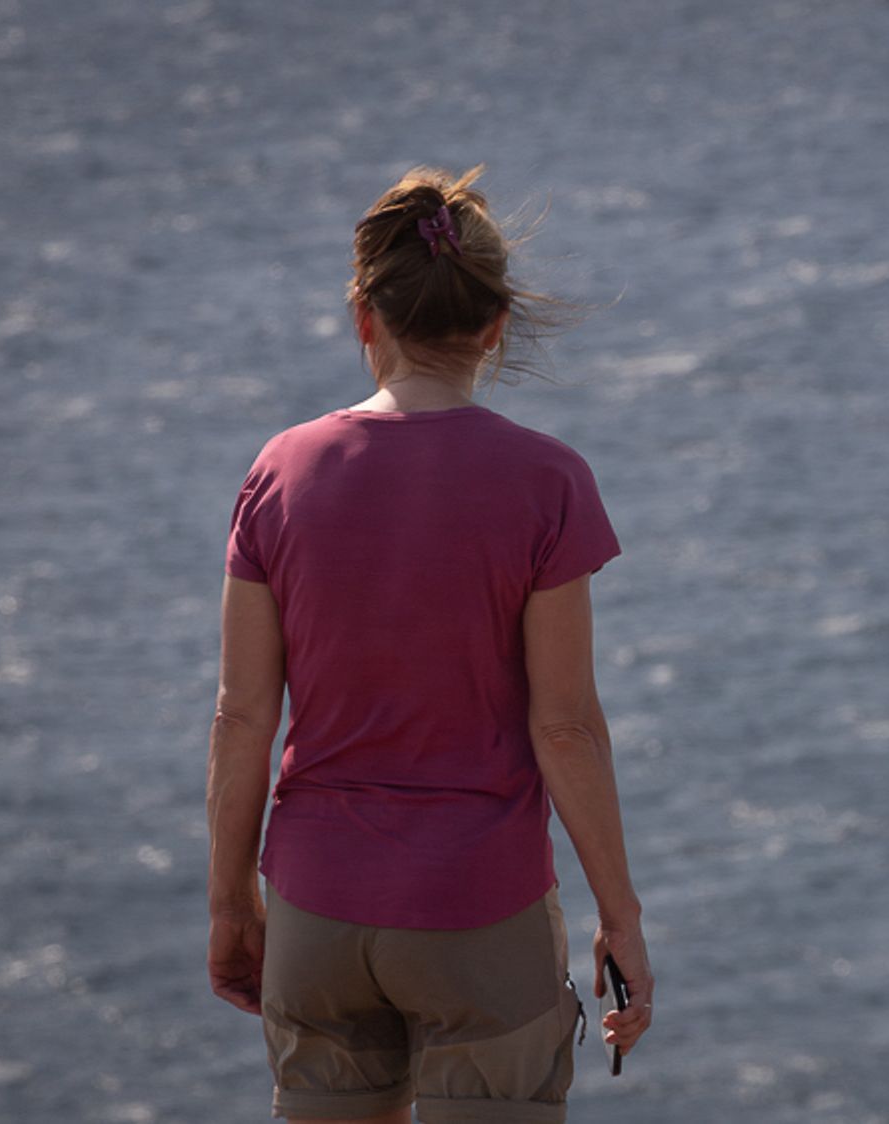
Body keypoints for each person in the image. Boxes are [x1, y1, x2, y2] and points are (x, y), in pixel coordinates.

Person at [204, 164, 654, 1124]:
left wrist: (230, 904)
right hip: (476, 910)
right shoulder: (547, 481)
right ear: (494, 325)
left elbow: (243, 714)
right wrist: (622, 918)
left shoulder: (278, 473)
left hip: (317, 912)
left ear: (365, 318)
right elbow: (566, 725)